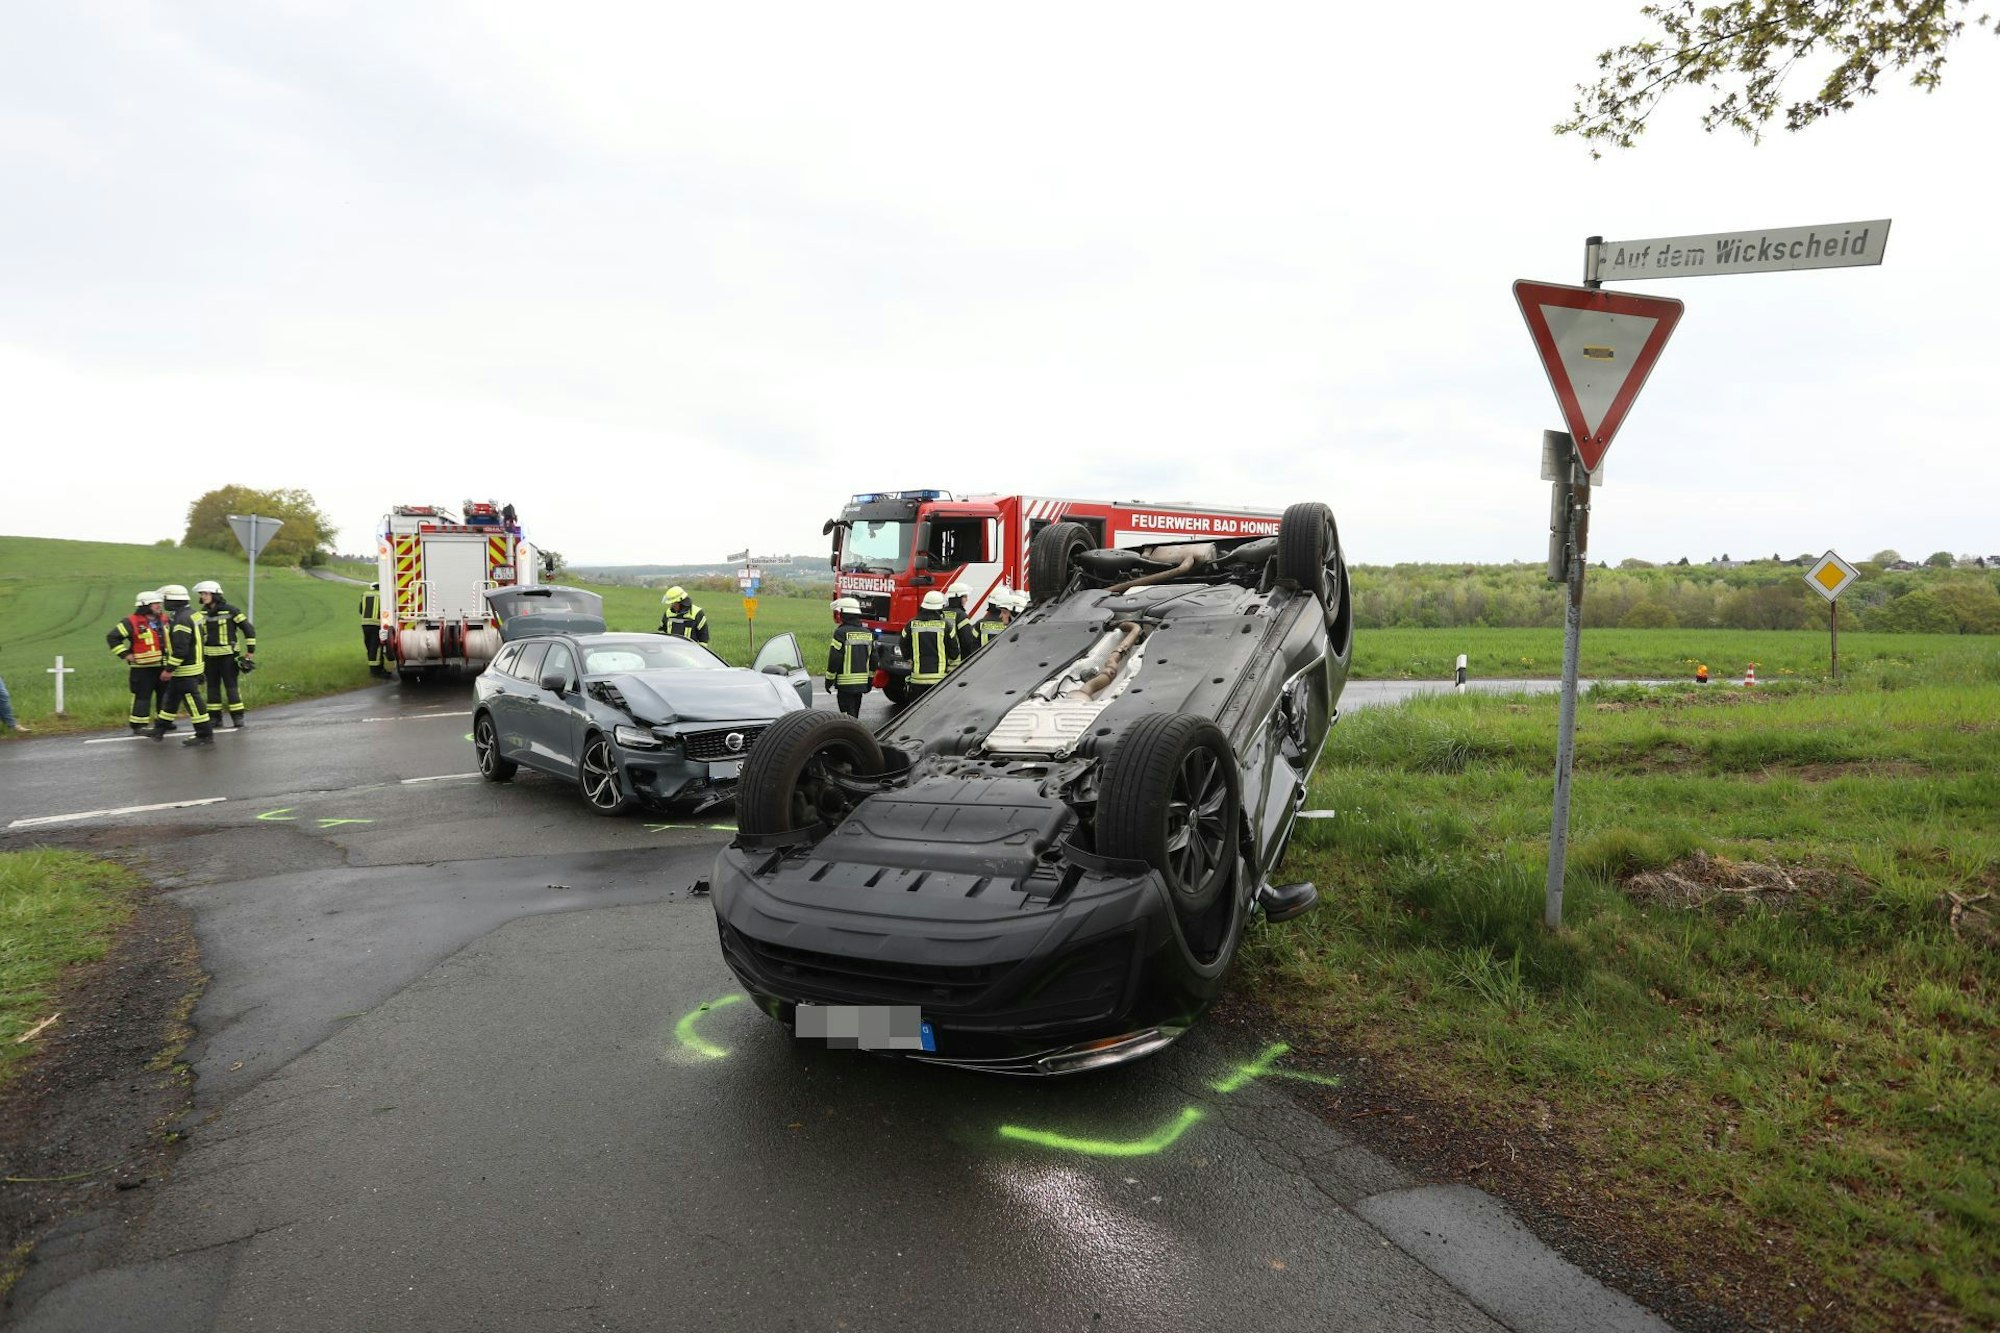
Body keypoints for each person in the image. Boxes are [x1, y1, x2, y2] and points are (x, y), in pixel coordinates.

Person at [152, 585, 215, 747]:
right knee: (171, 698)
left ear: (173, 600)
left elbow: (180, 649)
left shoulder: (181, 619)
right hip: (194, 665)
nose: (164, 603)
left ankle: (204, 733)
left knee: (192, 701)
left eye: (165, 600)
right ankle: (159, 729)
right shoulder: (192, 614)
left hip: (185, 668)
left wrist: (168, 669)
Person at [107, 589, 169, 734]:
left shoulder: (165, 619)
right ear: (145, 605)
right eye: (155, 604)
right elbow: (112, 637)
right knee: (142, 696)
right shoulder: (130, 621)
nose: (159, 606)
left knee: (165, 695)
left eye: (159, 603)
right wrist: (125, 654)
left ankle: (163, 722)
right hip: (142, 668)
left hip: (163, 666)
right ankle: (139, 724)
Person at [195, 580, 255, 727]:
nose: (203, 596)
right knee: (212, 688)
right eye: (202, 594)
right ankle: (215, 718)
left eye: (206, 593)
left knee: (231, 687)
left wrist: (250, 651)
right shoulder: (200, 614)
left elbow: (248, 629)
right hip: (209, 658)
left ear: (215, 594)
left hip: (228, 657)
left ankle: (237, 717)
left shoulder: (231, 611)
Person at [824, 597, 875, 718]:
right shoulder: (867, 633)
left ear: (843, 614)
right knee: (854, 715)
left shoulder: (840, 633)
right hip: (861, 683)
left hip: (845, 685)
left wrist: (829, 680)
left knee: (846, 717)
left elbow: (835, 659)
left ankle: (851, 736)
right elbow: (874, 659)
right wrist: (870, 680)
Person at [899, 590, 953, 703]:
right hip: (939, 679)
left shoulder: (911, 624)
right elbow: (954, 651)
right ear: (940, 608)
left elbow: (903, 643)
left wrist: (909, 658)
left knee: (915, 713)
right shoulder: (946, 625)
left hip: (917, 679)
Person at [360, 582, 389, 676]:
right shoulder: (382, 596)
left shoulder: (365, 594)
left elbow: (360, 610)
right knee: (376, 647)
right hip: (376, 625)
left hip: (365, 624)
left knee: (369, 646)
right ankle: (376, 671)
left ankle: (374, 668)